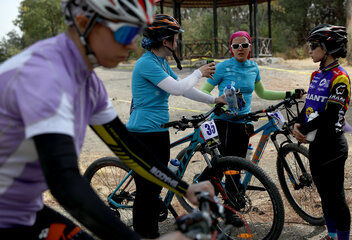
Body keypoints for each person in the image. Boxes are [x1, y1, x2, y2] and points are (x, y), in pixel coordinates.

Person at [0, 1, 215, 240]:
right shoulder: (46, 76)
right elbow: (65, 182)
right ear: (84, 24)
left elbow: (126, 148)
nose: (133, 44)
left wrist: (184, 189)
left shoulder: (88, 83)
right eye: (126, 32)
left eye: (137, 32)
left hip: (21, 210)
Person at [126, 14, 226, 239]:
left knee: (156, 186)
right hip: (142, 133)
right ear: (165, 41)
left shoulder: (160, 62)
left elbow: (185, 88)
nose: (177, 42)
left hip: (159, 131)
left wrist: (214, 100)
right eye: (175, 38)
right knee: (147, 191)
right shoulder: (145, 63)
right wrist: (198, 72)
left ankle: (149, 230)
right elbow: (177, 89)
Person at [200, 30, 305, 159]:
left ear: (250, 47)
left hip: (243, 122)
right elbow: (204, 91)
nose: (240, 48)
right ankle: (203, 180)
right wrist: (218, 102)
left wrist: (290, 93)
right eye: (235, 46)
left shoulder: (253, 67)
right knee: (221, 167)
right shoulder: (222, 67)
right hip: (222, 122)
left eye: (244, 45)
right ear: (231, 49)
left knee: (237, 168)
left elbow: (262, 93)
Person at [293, 24, 351, 240]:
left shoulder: (340, 77)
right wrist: (297, 125)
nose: (310, 50)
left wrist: (304, 129)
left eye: (313, 46)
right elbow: (310, 105)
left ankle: (343, 238)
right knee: (325, 195)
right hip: (317, 146)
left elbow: (330, 113)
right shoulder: (316, 75)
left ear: (327, 48)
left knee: (337, 197)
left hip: (334, 146)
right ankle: (332, 234)